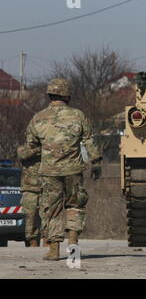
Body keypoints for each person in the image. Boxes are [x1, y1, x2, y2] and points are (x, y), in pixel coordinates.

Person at [26, 78, 102, 260]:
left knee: (51, 209)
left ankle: (53, 249)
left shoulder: (37, 118)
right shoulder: (78, 115)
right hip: (73, 170)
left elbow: (32, 146)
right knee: (75, 205)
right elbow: (89, 140)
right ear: (67, 95)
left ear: (49, 94)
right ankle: (73, 242)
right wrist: (96, 162)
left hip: (50, 172)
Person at [17, 144, 48, 247]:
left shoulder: (48, 144)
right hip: (29, 188)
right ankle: (32, 239)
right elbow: (23, 155)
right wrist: (38, 149)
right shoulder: (24, 147)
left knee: (47, 214)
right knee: (30, 216)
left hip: (45, 187)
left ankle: (47, 238)